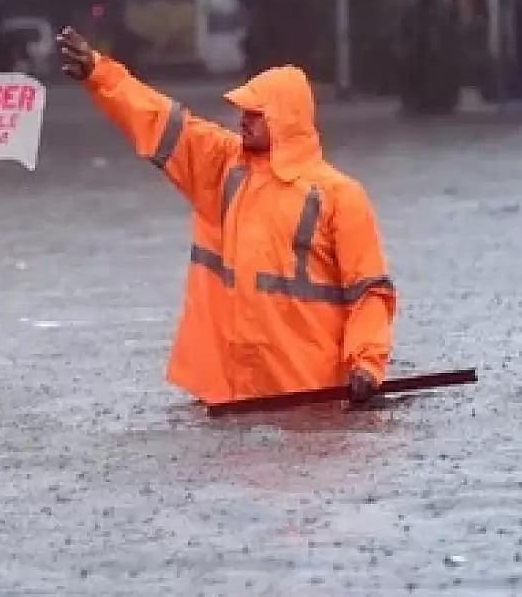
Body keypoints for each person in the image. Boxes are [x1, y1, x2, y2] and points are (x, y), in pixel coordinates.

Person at [56, 26, 396, 405]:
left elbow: (370, 291)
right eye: (244, 112)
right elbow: (160, 121)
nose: (243, 119)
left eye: (256, 113)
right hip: (230, 396)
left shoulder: (340, 196)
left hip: (309, 398)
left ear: (285, 119)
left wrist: (366, 363)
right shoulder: (224, 166)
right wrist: (99, 74)